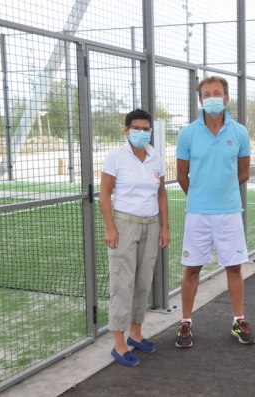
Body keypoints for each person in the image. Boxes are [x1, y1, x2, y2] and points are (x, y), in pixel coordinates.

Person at [175, 75, 255, 348]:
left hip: (229, 212)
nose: (211, 98)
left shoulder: (240, 132)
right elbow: (182, 176)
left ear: (226, 98)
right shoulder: (187, 133)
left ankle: (238, 319)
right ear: (200, 100)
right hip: (197, 214)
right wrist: (200, 197)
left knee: (234, 268)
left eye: (216, 93)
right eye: (206, 94)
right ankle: (185, 322)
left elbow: (243, 173)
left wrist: (222, 192)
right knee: (192, 269)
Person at [99, 108, 170, 367]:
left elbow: (161, 194)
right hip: (124, 225)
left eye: (146, 129)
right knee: (122, 284)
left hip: (151, 226)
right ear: (126, 130)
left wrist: (165, 227)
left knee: (143, 282)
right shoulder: (116, 157)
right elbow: (105, 194)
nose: (142, 133)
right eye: (136, 129)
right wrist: (110, 228)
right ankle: (119, 343)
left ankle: (136, 334)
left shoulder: (156, 158)